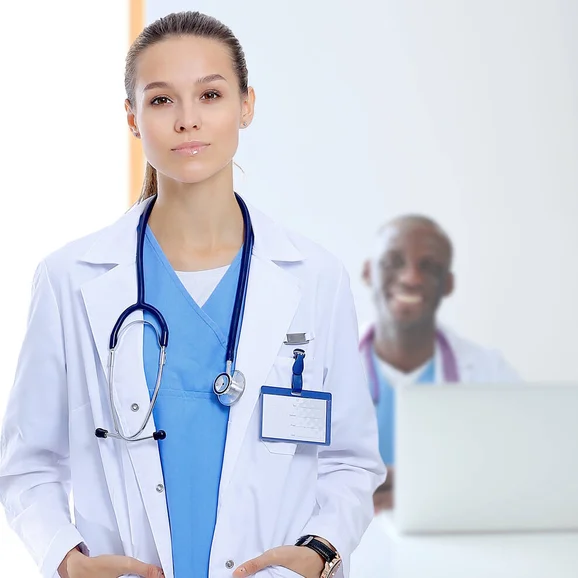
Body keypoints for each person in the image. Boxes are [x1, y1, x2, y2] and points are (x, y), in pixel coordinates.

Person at [0, 11, 385, 578]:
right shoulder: (69, 278)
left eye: (210, 94)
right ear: (131, 118)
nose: (187, 121)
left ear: (246, 106)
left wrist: (322, 552)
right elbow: (28, 466)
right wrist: (68, 561)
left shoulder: (314, 278)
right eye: (160, 101)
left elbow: (351, 462)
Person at [361, 214, 519, 512]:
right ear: (368, 272)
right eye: (393, 261)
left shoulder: (490, 373)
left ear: (447, 284)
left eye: (429, 267)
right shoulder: (321, 366)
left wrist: (425, 496)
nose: (411, 278)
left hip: (450, 546)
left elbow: (524, 474)